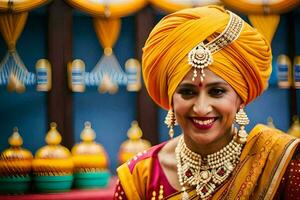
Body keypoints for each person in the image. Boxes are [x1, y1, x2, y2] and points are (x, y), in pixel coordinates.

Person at [114, 5, 300, 200]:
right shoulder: (139, 177)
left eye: (217, 91)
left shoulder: (279, 165)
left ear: (241, 99)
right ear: (170, 99)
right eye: (187, 92)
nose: (201, 108)